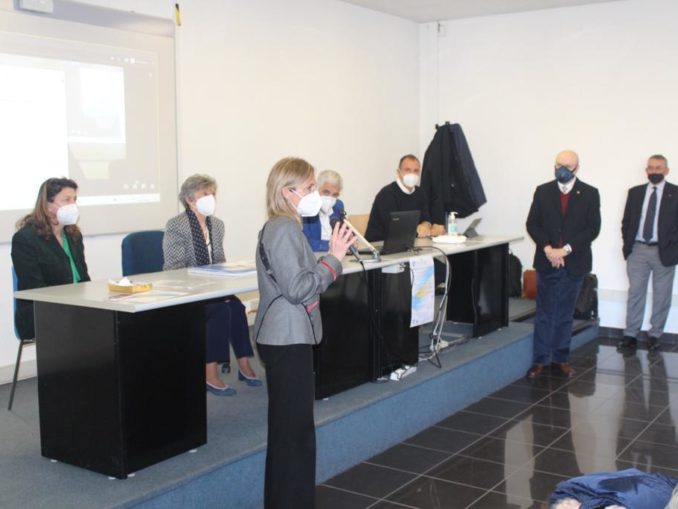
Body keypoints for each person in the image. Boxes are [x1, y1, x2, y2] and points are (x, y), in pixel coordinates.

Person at [254, 157, 354, 509]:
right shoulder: (282, 228)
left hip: (289, 336)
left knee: (291, 433)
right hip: (286, 338)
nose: (315, 194)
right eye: (309, 187)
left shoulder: (286, 226)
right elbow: (298, 289)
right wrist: (334, 259)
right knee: (293, 435)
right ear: (287, 192)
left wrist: (328, 257)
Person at [163, 174, 261, 396]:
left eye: (213, 194)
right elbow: (174, 268)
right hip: (188, 291)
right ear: (189, 199)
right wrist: (203, 281)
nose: (211, 198)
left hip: (213, 288)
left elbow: (219, 262)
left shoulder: (217, 225)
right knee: (219, 310)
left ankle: (243, 364)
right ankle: (210, 373)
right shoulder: (176, 225)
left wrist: (225, 276)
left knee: (236, 307)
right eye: (205, 194)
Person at [525, 150, 601, 379]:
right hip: (547, 260)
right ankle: (540, 360)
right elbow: (532, 224)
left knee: (565, 313)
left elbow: (592, 229)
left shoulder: (590, 193)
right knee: (544, 313)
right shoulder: (543, 191)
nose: (562, 169)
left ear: (576, 168)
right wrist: (548, 249)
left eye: (567, 166)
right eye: (559, 165)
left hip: (574, 262)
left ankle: (561, 358)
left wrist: (565, 250)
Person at [12, 178, 90, 340]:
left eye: (74, 199)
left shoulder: (74, 235)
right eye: (66, 200)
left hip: (76, 307)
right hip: (42, 312)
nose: (73, 205)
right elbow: (34, 288)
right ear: (48, 205)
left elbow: (83, 278)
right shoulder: (25, 239)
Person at [618, 155, 678, 352]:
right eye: (651, 168)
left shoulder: (675, 193)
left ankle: (655, 335)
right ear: (646, 171)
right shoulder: (635, 193)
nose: (654, 171)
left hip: (664, 251)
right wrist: (628, 245)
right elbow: (627, 222)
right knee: (636, 293)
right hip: (638, 250)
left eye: (658, 168)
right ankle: (630, 335)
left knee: (662, 295)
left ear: (666, 171)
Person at [364, 154, 444, 242]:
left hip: (409, 244)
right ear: (398, 172)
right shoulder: (386, 194)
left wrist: (426, 226)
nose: (412, 174)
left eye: (416, 171)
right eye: (407, 170)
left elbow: (426, 219)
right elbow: (395, 229)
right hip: (379, 245)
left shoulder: (420, 193)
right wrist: (421, 231)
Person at [302, 169, 345, 252]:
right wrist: (332, 245)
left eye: (335, 195)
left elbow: (343, 234)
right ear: (316, 189)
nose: (330, 198)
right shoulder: (307, 207)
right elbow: (306, 243)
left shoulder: (338, 205)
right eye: (326, 193)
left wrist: (350, 243)